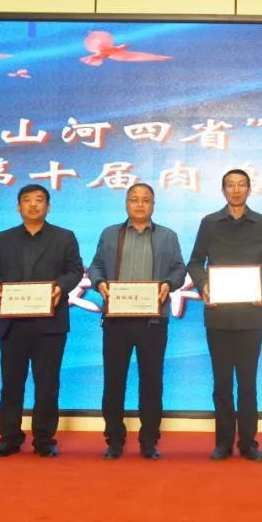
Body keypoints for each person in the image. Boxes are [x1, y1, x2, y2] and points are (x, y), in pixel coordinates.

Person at [186, 169, 262, 462]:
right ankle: (224, 443)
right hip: (218, 315)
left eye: (241, 185)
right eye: (230, 185)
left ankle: (249, 443)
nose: (236, 189)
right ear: (223, 190)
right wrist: (203, 285)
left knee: (248, 383)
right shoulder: (210, 223)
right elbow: (194, 262)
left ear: (250, 190)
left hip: (251, 315)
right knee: (222, 383)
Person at [0, 184, 83, 458]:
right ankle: (9, 438)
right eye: (27, 200)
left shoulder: (64, 237)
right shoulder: (2, 238)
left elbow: (75, 270)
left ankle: (44, 439)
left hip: (50, 323)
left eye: (39, 200)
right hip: (12, 323)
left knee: (47, 383)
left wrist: (60, 287)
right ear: (19, 207)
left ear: (48, 206)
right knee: (11, 383)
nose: (33, 205)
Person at [87, 183, 187, 461]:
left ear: (153, 205)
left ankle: (149, 441)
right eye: (134, 199)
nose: (140, 204)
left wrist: (169, 284)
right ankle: (114, 440)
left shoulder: (167, 236)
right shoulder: (110, 234)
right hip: (116, 321)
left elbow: (179, 269)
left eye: (146, 200)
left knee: (152, 382)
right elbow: (96, 265)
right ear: (126, 203)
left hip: (153, 322)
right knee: (114, 382)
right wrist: (99, 282)